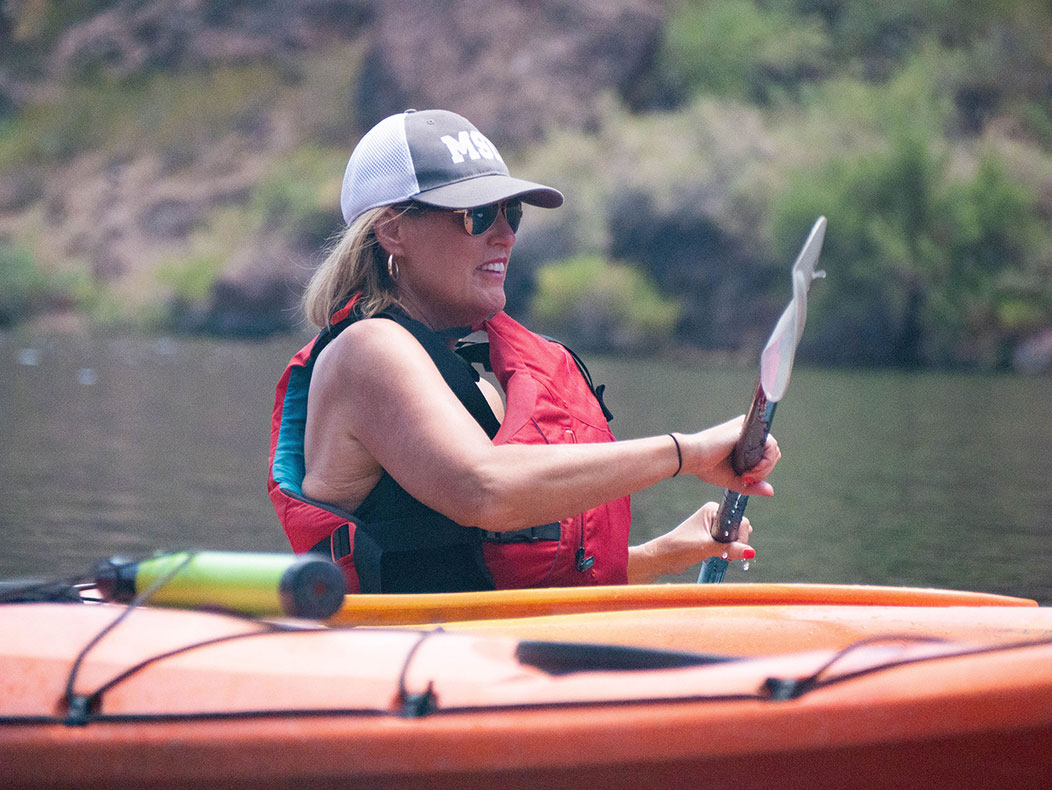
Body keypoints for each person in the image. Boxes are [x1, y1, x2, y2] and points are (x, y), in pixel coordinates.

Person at [268, 109, 780, 594]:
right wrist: (687, 453)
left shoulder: (477, 394)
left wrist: (663, 552)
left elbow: (499, 577)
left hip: (468, 659)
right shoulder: (367, 350)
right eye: (477, 215)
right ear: (392, 230)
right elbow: (486, 491)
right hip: (397, 666)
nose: (506, 234)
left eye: (510, 212)